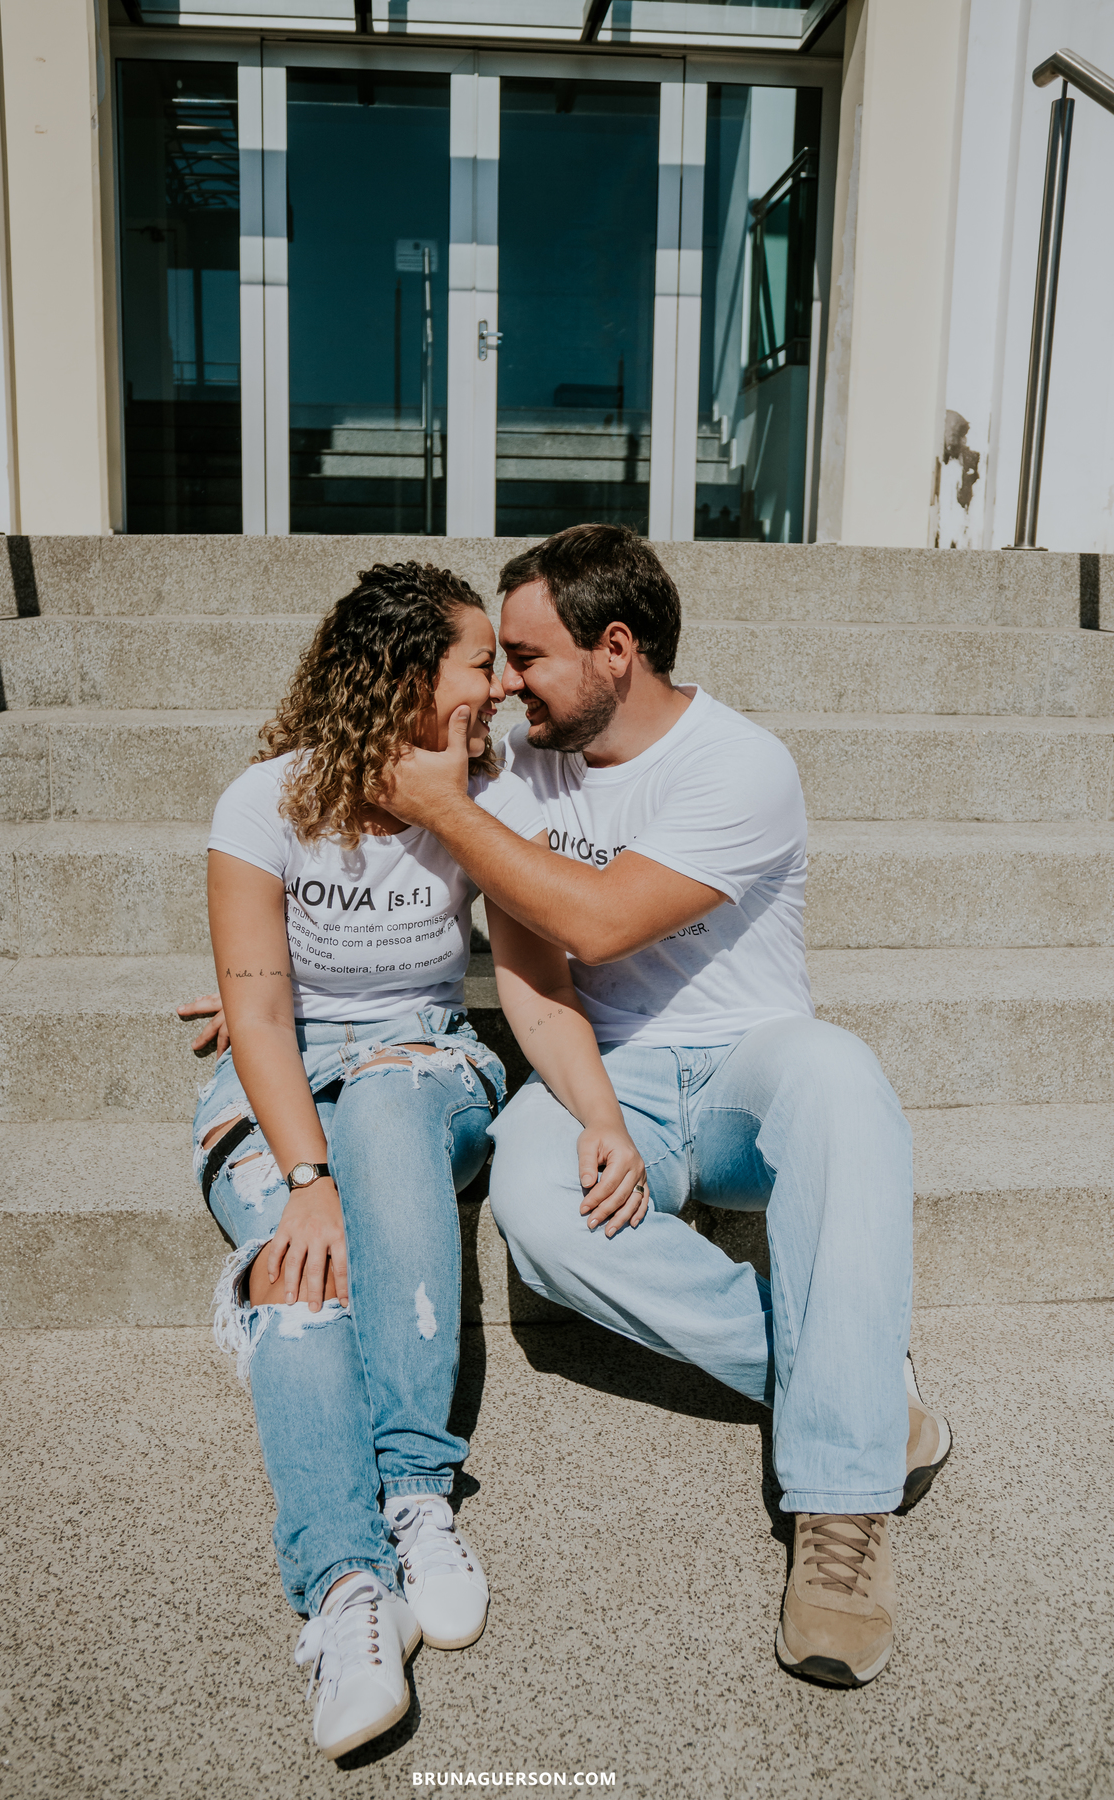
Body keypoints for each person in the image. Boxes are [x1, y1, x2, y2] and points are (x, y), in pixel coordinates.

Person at [378, 523, 953, 1689]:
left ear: (618, 649)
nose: (503, 683)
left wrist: (452, 813)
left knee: (843, 1078)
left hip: (750, 1069)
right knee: (535, 1204)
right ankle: (857, 1396)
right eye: (497, 660)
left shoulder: (740, 764)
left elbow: (592, 922)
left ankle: (842, 1518)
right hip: (613, 1074)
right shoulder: (521, 763)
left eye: (527, 657)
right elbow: (346, 817)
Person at [191, 559, 649, 1759]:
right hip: (275, 1080)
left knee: (392, 1104)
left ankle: (416, 1492)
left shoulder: (488, 797)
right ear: (402, 678)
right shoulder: (265, 802)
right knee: (293, 1284)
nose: (496, 686)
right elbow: (255, 1010)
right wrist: (305, 1181)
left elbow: (536, 991)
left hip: (423, 1061)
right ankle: (348, 1589)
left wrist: (600, 1114)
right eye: (475, 663)